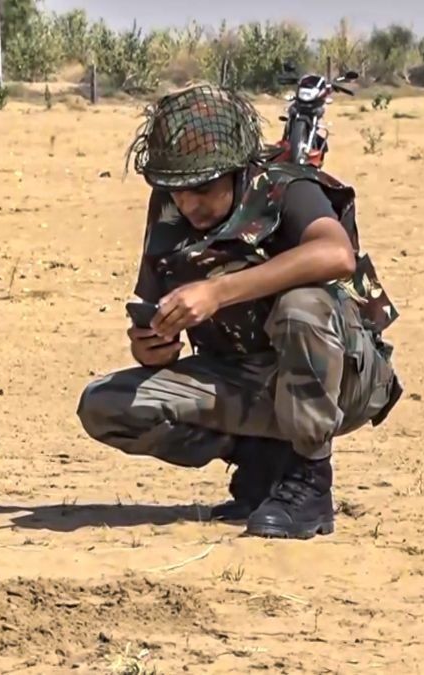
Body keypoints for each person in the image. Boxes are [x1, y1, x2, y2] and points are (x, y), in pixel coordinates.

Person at [76, 84, 404, 540]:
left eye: (203, 188)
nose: (189, 203)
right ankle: (261, 460)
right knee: (105, 406)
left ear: (236, 170)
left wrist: (217, 292)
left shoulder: (287, 185)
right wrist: (153, 346)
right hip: (244, 379)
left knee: (301, 307)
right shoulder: (171, 209)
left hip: (344, 380)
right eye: (177, 190)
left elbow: (337, 254)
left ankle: (309, 482)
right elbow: (151, 323)